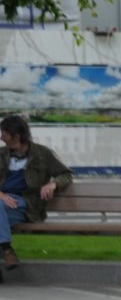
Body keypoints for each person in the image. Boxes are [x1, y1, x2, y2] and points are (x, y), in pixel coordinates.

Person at [0, 115, 74, 271]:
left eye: (4, 133)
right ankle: (7, 249)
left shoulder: (42, 154)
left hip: (26, 205)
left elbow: (66, 174)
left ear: (16, 136)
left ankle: (7, 250)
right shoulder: (1, 154)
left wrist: (53, 184)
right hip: (3, 204)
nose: (1, 137)